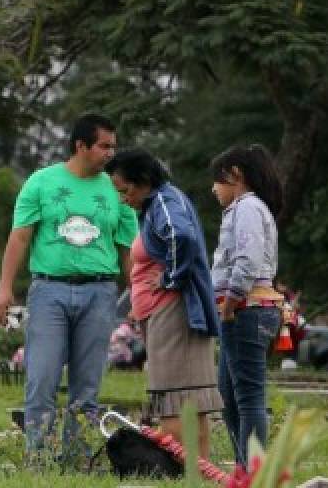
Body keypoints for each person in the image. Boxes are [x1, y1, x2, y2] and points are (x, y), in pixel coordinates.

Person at [0, 113, 138, 461]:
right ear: (81, 145)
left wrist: (137, 296)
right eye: (104, 146)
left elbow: (128, 249)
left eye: (113, 146)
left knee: (87, 388)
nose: (110, 153)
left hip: (100, 293)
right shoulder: (41, 182)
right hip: (49, 293)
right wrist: (4, 289)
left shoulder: (118, 190)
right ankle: (37, 458)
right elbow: (20, 236)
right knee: (41, 380)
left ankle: (76, 459)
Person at [107, 148, 223, 462]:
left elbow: (181, 236)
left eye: (125, 190)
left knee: (174, 397)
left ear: (143, 181)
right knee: (191, 400)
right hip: (171, 313)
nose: (123, 198)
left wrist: (171, 278)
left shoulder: (164, 203)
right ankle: (197, 474)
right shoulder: (160, 202)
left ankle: (176, 471)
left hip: (173, 314)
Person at [210, 144, 285, 468]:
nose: (214, 189)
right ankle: (246, 467)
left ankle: (252, 473)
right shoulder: (251, 208)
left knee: (249, 398)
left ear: (236, 175)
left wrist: (229, 305)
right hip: (245, 310)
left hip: (246, 310)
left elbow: (247, 260)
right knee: (229, 399)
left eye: (217, 180)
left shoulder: (247, 208)